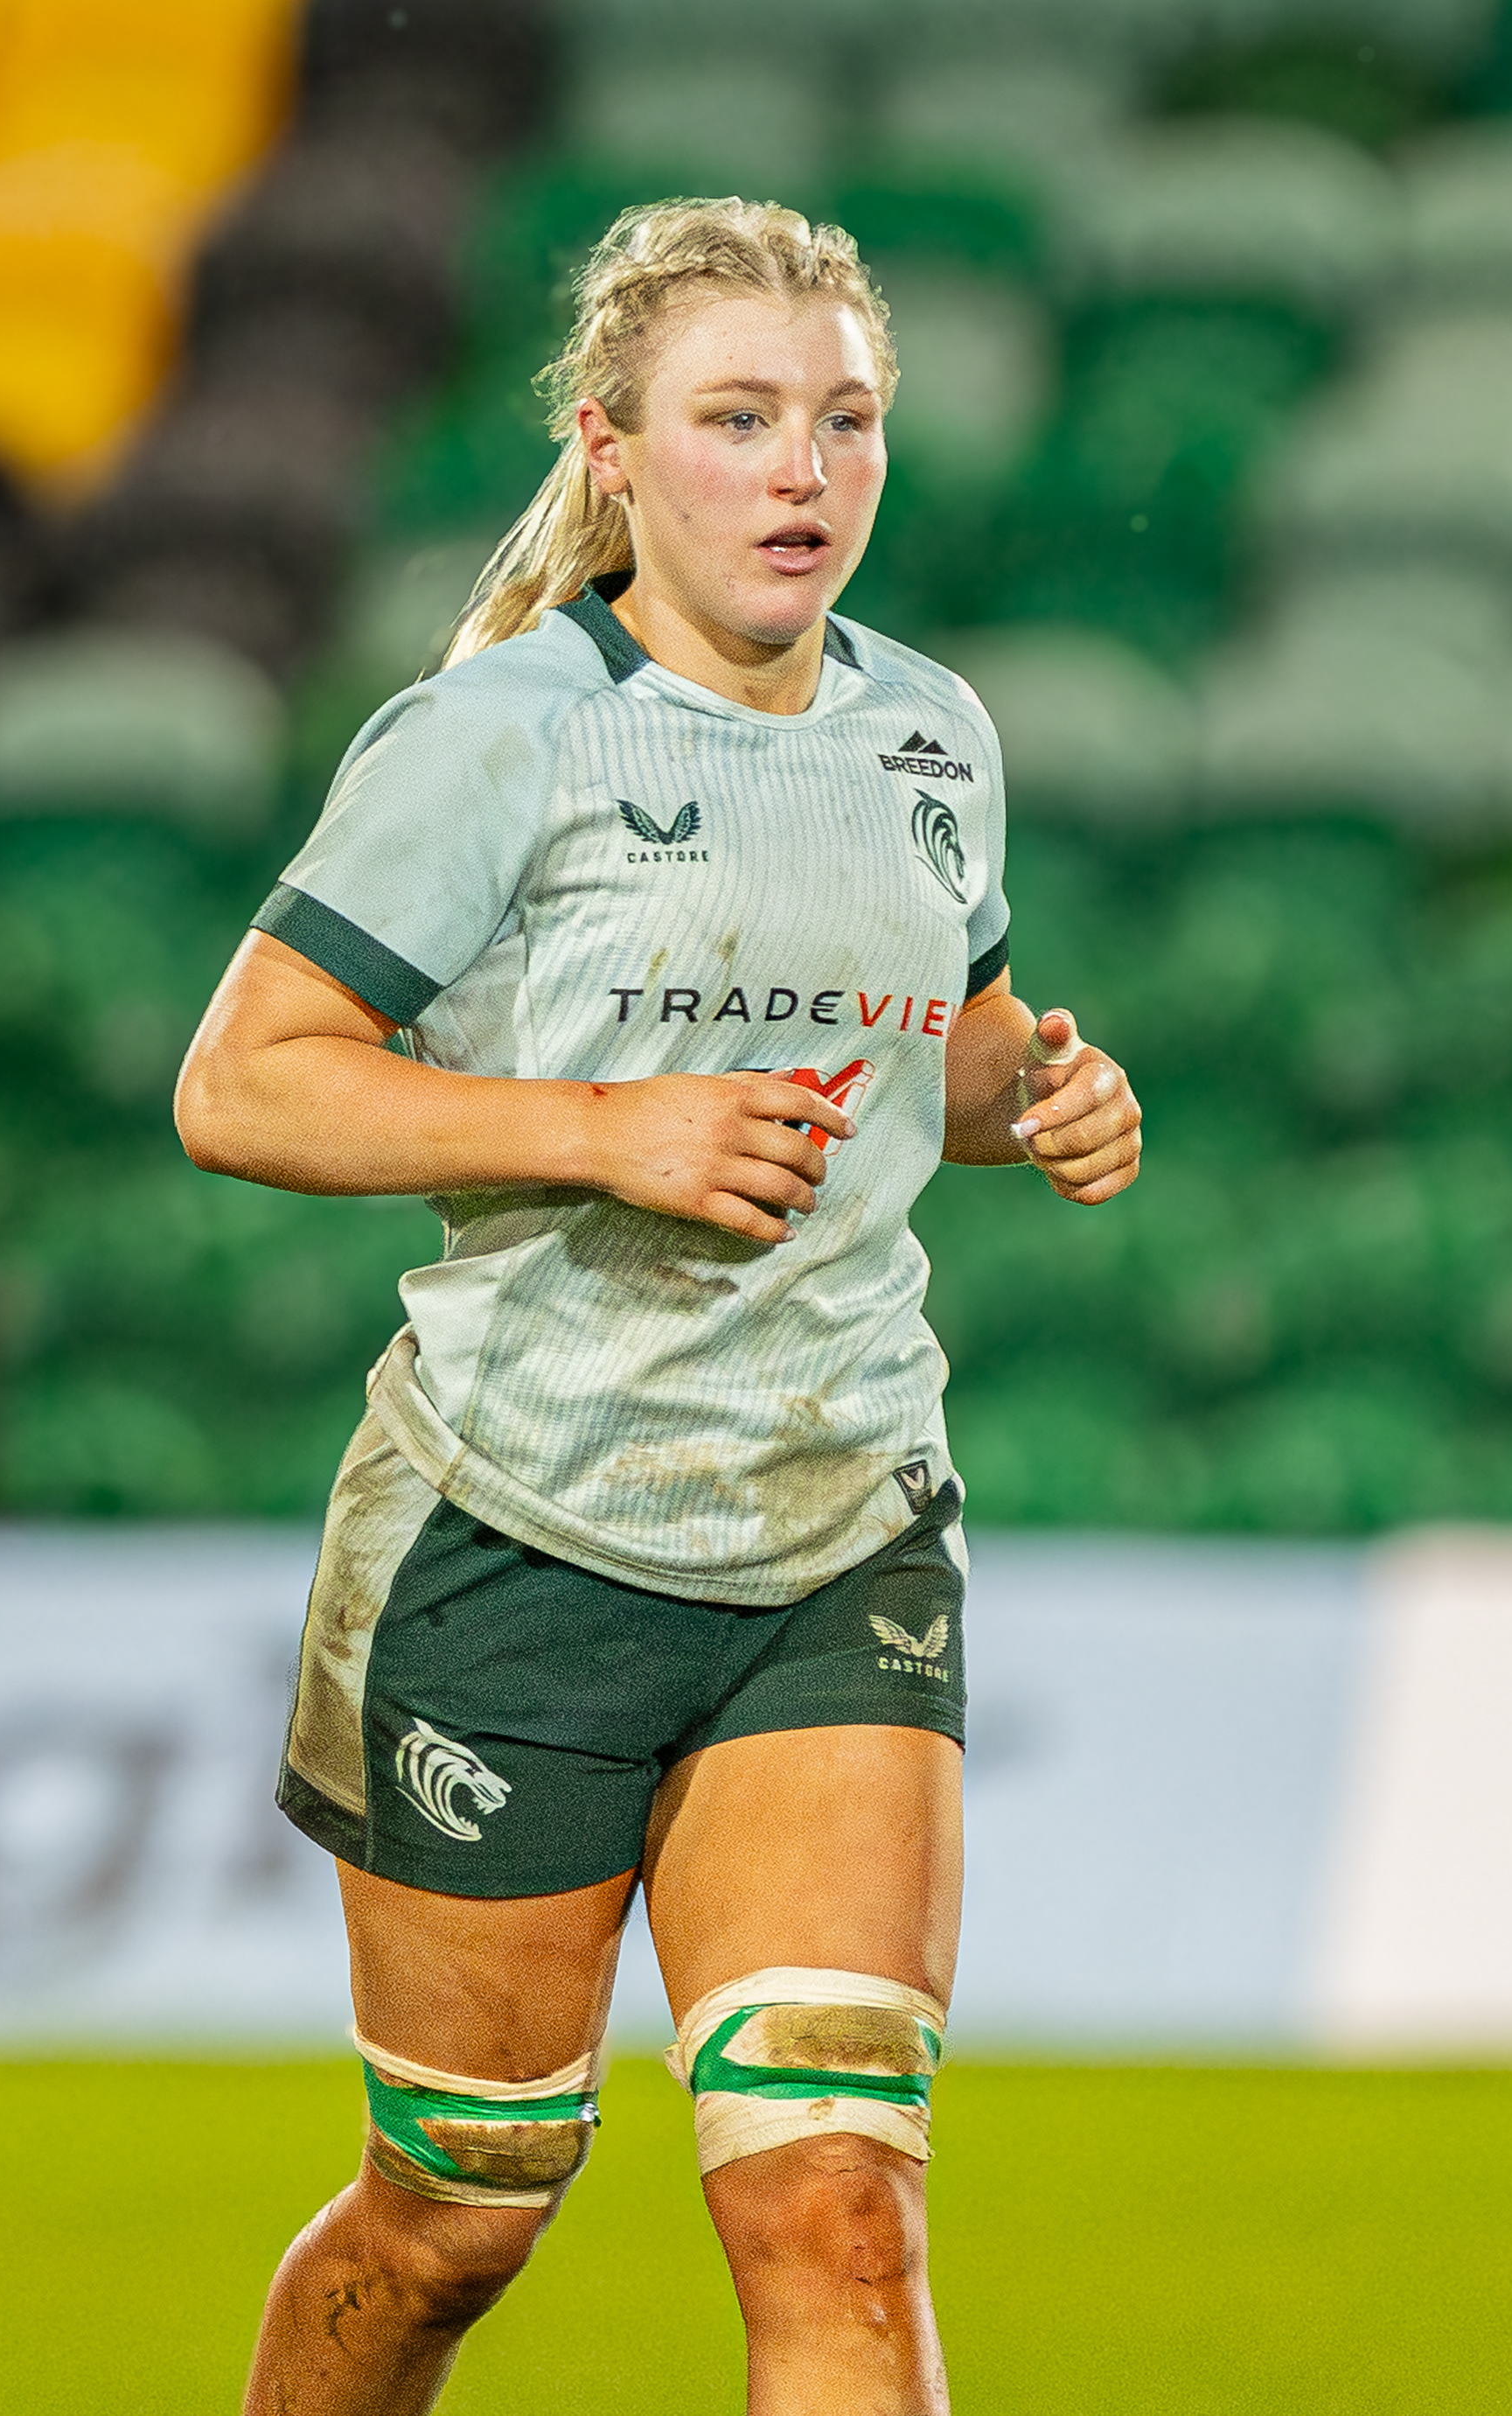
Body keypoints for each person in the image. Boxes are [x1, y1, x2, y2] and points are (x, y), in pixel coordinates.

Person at [173, 195, 1143, 2416]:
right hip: (519, 1537)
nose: (804, 470)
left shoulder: (932, 731)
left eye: (844, 420)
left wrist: (1038, 1093)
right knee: (459, 2211)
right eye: (740, 419)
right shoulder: (498, 735)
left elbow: (939, 1050)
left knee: (838, 2208)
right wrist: (604, 1130)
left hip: (835, 1527)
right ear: (613, 448)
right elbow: (242, 1082)